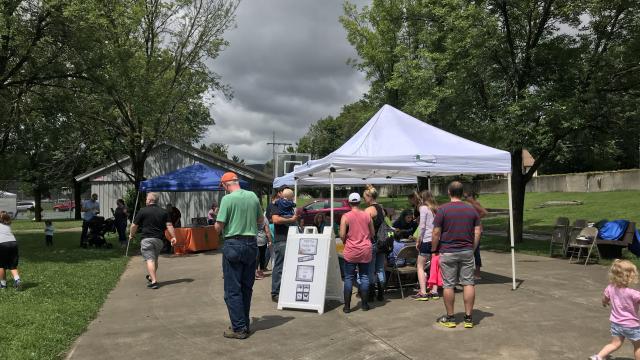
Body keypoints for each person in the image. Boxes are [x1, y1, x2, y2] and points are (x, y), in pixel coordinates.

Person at [214, 172, 263, 339]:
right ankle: (243, 323)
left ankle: (239, 328)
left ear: (226, 185)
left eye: (223, 187)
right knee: (246, 287)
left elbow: (219, 226)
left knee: (232, 290)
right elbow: (260, 221)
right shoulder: (253, 197)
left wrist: (217, 224)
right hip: (251, 244)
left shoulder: (227, 199)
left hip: (233, 243)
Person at [431, 181, 481, 329]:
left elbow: (435, 232)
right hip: (466, 251)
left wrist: (434, 250)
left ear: (449, 192)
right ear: (462, 193)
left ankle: (451, 318)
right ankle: (468, 317)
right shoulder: (471, 210)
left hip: (448, 251)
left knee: (448, 285)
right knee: (468, 283)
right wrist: (472, 248)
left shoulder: (443, 210)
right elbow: (477, 232)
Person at [590, 260, 640, 360]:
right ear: (629, 277)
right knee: (638, 346)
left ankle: (598, 357)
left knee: (615, 343)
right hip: (631, 325)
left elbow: (605, 299)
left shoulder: (610, 288)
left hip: (616, 323)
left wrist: (604, 302)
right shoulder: (633, 293)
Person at [129, 192, 177, 290]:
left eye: (146, 199)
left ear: (150, 200)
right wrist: (174, 237)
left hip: (146, 239)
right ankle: (151, 276)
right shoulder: (164, 212)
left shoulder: (142, 211)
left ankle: (154, 281)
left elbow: (134, 225)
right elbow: (169, 225)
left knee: (150, 260)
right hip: (159, 240)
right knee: (155, 259)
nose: (145, 200)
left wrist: (131, 235)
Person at [340, 193, 374, 313]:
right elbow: (373, 233)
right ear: (360, 202)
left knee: (348, 278)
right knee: (364, 276)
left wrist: (346, 241)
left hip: (351, 250)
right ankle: (364, 305)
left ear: (349, 202)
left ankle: (347, 307)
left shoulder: (346, 216)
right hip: (365, 249)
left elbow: (342, 235)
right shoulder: (367, 215)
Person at [270, 186, 298, 303]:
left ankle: (284, 290)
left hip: (290, 238)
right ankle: (276, 292)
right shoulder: (275, 205)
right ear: (279, 193)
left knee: (288, 265)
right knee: (280, 266)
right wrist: (292, 220)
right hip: (282, 239)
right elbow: (276, 220)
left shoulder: (278, 202)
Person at [412, 190, 439, 301]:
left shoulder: (423, 208)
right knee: (434, 265)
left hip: (427, 239)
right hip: (436, 240)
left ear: (422, 198)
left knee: (420, 265)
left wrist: (419, 240)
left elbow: (422, 226)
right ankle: (435, 291)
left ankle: (423, 292)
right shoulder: (436, 208)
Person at [363, 185, 386, 302]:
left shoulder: (368, 211)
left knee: (371, 270)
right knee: (380, 269)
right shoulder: (381, 208)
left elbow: (364, 227)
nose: (364, 200)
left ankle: (371, 294)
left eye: (365, 197)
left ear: (369, 197)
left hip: (372, 242)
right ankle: (381, 294)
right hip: (382, 242)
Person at [464, 191, 488, 279]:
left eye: (466, 196)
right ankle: (469, 272)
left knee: (476, 252)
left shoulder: (475, 203)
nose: (465, 198)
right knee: (468, 251)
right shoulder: (467, 204)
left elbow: (484, 213)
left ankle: (477, 273)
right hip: (469, 230)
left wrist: (476, 218)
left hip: (477, 230)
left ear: (471, 196)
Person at [0, 211, 22, 290]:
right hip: (13, 243)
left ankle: (3, 284)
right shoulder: (7, 225)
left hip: (2, 244)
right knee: (13, 266)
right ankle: (17, 279)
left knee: (1, 265)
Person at [255, 214, 272, 280]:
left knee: (256, 256)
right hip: (262, 240)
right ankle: (261, 272)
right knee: (262, 256)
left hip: (254, 239)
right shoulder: (264, 218)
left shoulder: (252, 217)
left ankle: (255, 271)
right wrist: (270, 241)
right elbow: (267, 231)